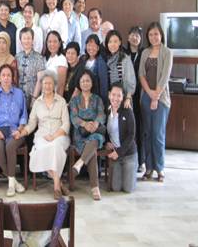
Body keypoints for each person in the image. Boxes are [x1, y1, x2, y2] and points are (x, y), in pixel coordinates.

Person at [19, 71, 71, 199]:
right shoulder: (37, 103)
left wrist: (54, 136)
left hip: (59, 135)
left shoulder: (61, 101)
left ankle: (56, 188)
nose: (47, 86)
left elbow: (66, 125)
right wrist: (22, 132)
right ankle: (58, 182)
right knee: (40, 150)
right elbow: (31, 124)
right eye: (45, 83)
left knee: (55, 147)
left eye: (50, 83)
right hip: (42, 135)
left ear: (54, 85)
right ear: (41, 85)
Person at [139, 22, 173, 182]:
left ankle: (160, 168)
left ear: (161, 35)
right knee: (147, 133)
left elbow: (165, 76)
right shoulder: (145, 52)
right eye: (151, 34)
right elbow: (141, 75)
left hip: (161, 98)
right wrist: (149, 93)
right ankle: (149, 168)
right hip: (146, 96)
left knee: (158, 134)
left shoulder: (167, 52)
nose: (153, 37)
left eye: (156, 34)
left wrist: (156, 96)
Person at [0, 64, 28, 197]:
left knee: (10, 146)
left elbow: (23, 115)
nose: (6, 78)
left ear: (12, 78)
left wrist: (20, 130)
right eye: (3, 75)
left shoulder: (19, 93)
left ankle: (11, 185)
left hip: (15, 129)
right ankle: (14, 181)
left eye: (8, 75)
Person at [69, 70, 106, 201]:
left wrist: (95, 123)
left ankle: (79, 163)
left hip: (95, 131)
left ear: (92, 83)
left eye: (87, 81)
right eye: (83, 81)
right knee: (92, 151)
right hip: (80, 133)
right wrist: (85, 124)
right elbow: (73, 117)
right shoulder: (74, 100)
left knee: (95, 139)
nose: (85, 83)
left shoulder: (97, 99)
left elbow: (101, 114)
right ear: (79, 83)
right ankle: (95, 187)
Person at [105, 82, 138, 193]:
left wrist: (119, 152)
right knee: (116, 188)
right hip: (115, 156)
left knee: (128, 189)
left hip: (128, 154)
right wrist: (107, 142)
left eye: (119, 95)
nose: (116, 98)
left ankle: (132, 172)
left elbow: (131, 134)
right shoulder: (107, 110)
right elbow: (105, 131)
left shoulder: (127, 110)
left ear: (123, 97)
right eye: (113, 95)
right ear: (109, 95)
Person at [124, 25, 145, 170]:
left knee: (139, 126)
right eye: (132, 34)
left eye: (137, 35)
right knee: (127, 127)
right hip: (125, 95)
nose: (134, 37)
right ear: (128, 37)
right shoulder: (123, 53)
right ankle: (127, 158)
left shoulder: (144, 53)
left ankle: (141, 161)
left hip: (141, 94)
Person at [15, 28, 46, 108]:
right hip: (18, 97)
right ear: (20, 40)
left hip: (33, 97)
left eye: (29, 38)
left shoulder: (39, 57)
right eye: (24, 38)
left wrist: (34, 98)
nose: (26, 41)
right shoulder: (17, 57)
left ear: (32, 40)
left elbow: (40, 79)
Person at [105, 30, 136, 109]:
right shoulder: (107, 60)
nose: (112, 44)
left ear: (120, 42)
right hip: (111, 99)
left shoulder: (125, 58)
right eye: (110, 41)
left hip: (124, 99)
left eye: (115, 41)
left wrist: (128, 98)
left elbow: (131, 81)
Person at [81, 34, 109, 105]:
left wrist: (103, 104)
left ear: (98, 48)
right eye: (89, 45)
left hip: (95, 100)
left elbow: (103, 85)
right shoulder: (83, 59)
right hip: (83, 98)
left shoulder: (100, 62)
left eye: (94, 46)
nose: (91, 48)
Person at [43, 31, 68, 96]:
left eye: (55, 41)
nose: (52, 44)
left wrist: (58, 103)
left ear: (59, 43)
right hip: (43, 97)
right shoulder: (45, 58)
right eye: (49, 41)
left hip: (54, 97)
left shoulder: (61, 59)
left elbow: (61, 86)